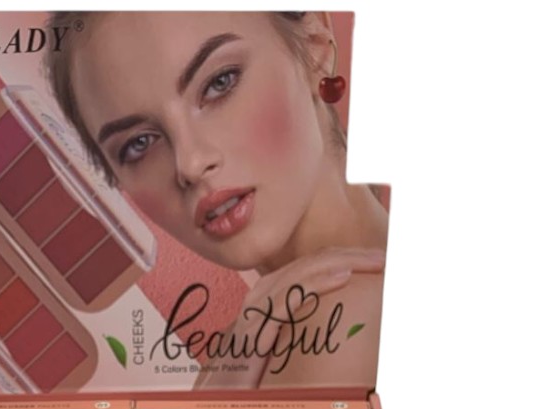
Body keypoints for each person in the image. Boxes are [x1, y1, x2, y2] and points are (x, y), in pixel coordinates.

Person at [46, 11, 387, 388]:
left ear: (314, 46)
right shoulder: (245, 349)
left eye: (219, 83)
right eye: (139, 143)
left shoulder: (342, 323)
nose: (190, 164)